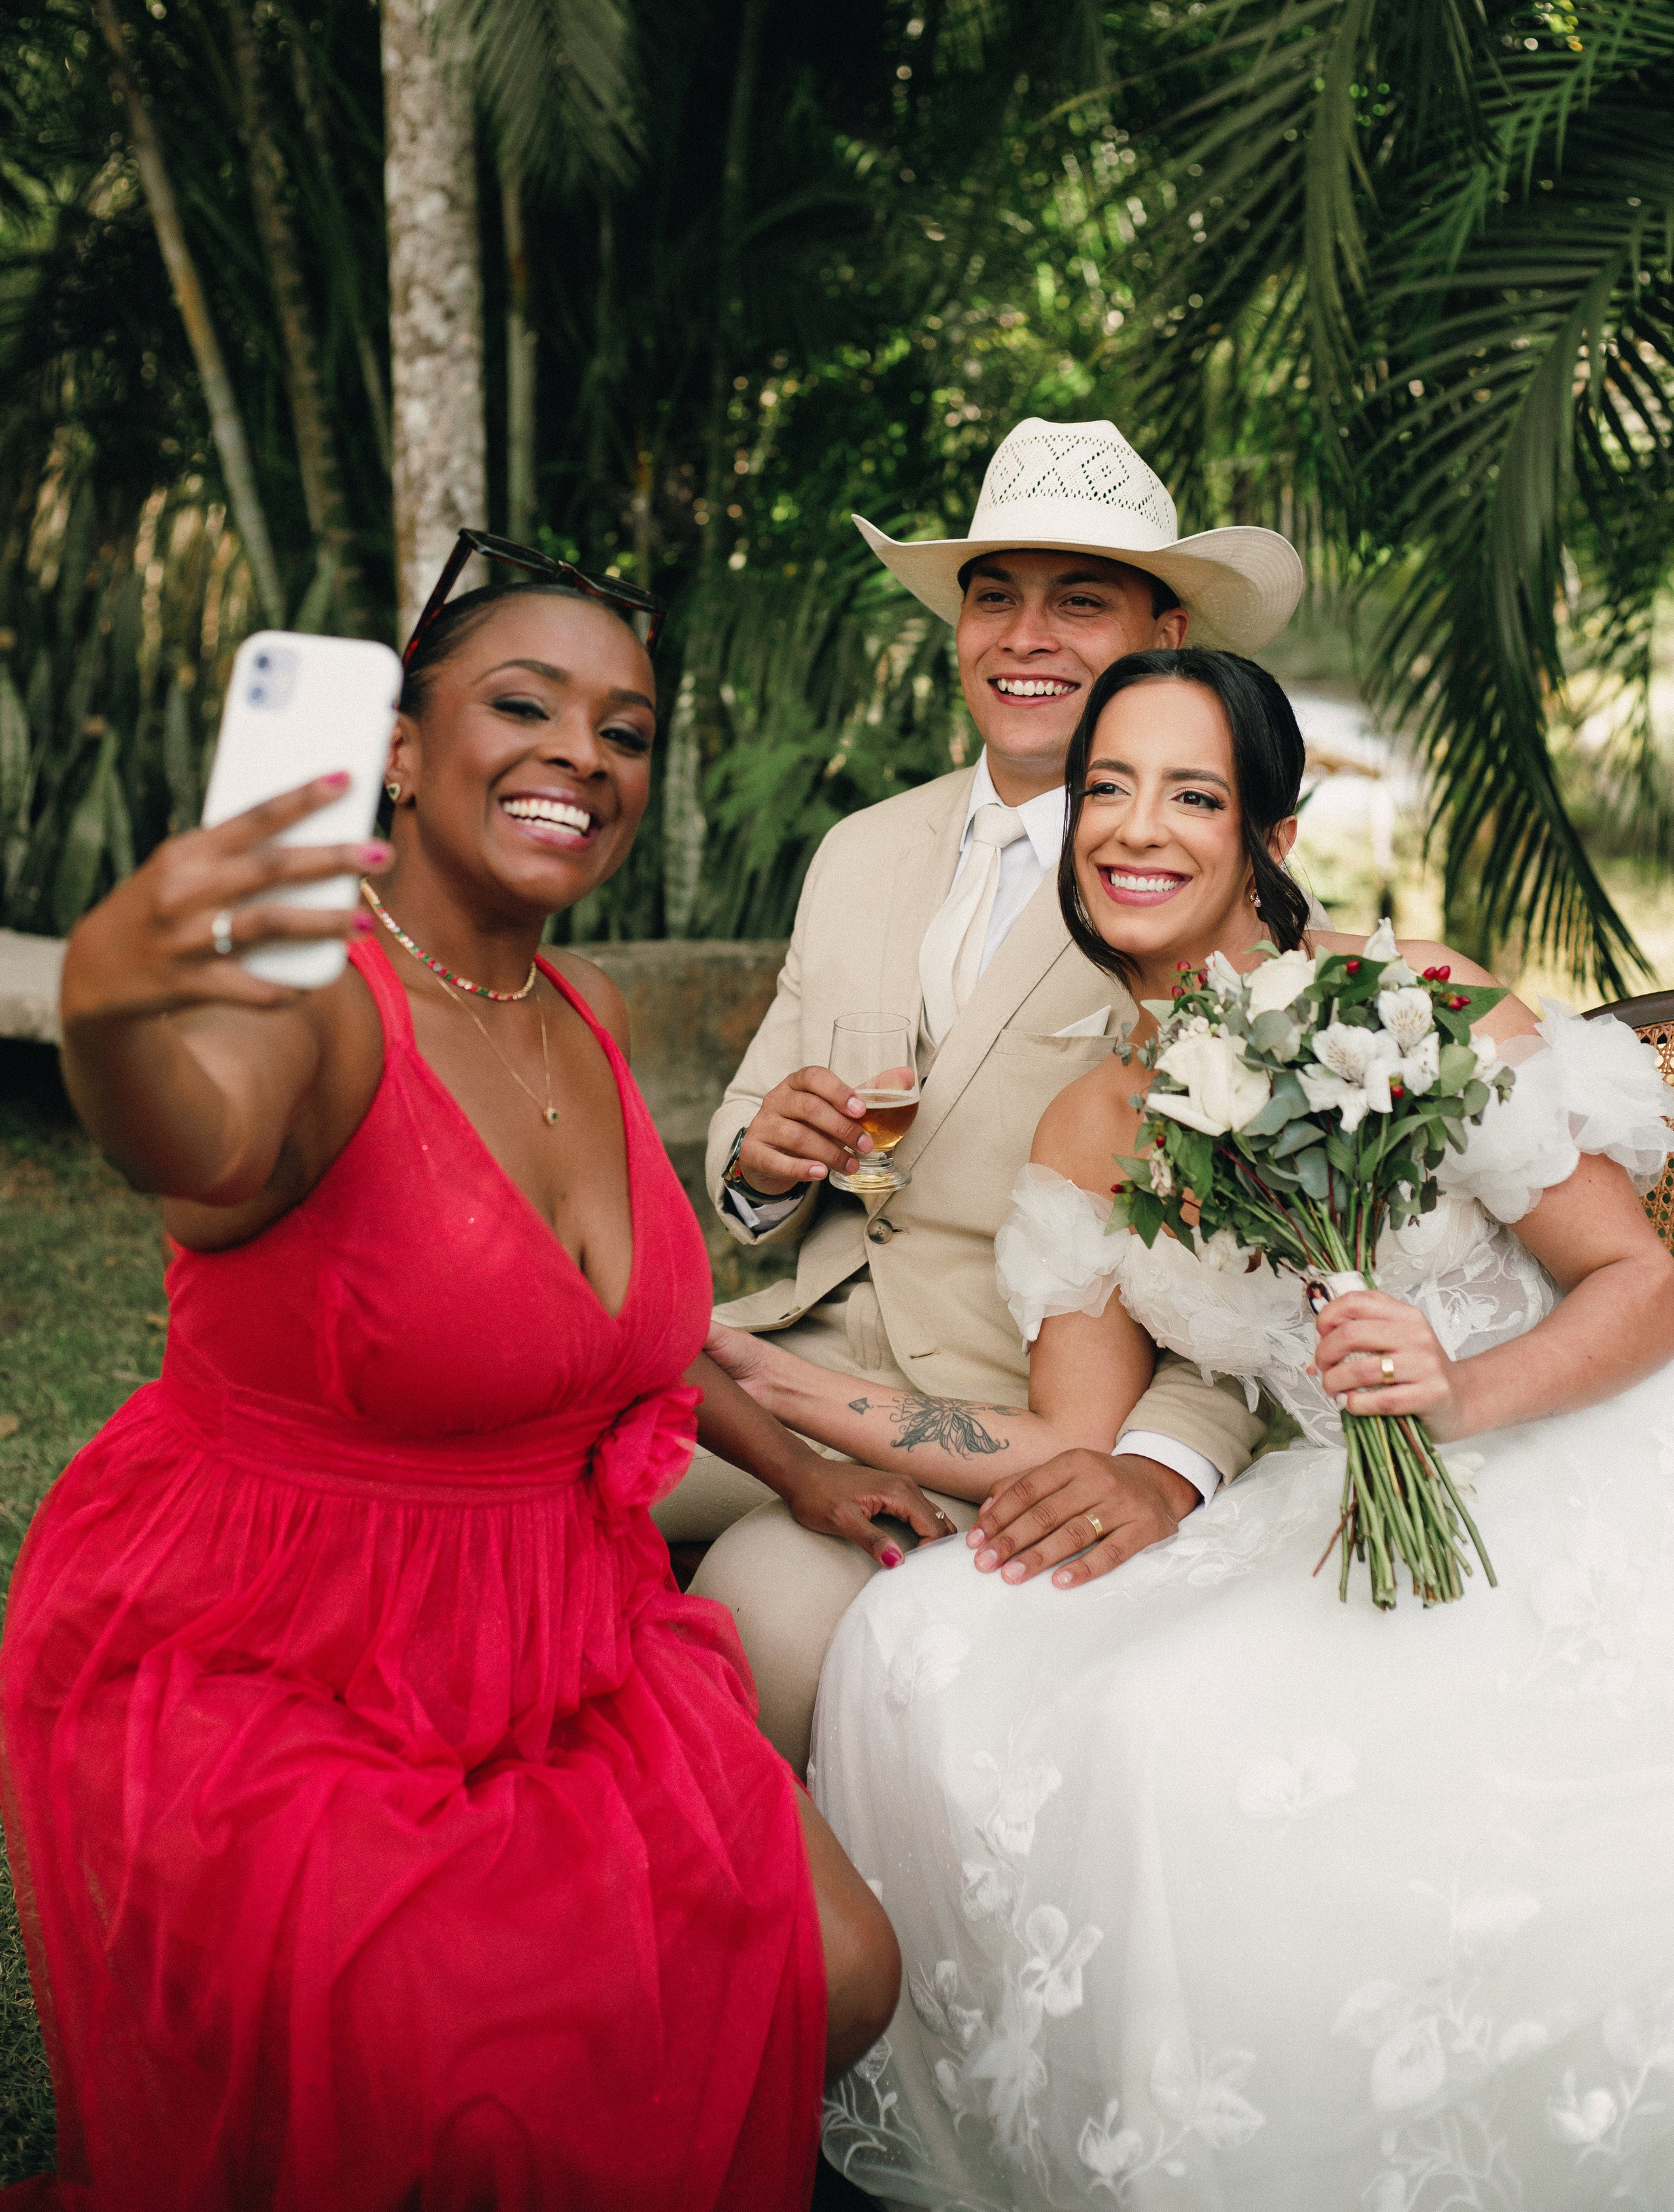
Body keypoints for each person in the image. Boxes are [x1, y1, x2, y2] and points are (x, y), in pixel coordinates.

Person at [0, 554, 902, 2212]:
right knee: (442, 2092)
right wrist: (111, 1011)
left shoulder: (584, 1006)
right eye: (522, 705)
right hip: (275, 1647)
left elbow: (598, 1346)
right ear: (398, 751)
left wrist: (797, 1474)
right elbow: (198, 1143)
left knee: (841, 1967)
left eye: (622, 729)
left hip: (555, 1634)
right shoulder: (319, 1004)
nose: (582, 752)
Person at [811, 648, 1674, 2211]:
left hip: (1549, 1457)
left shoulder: (1415, 1003)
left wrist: (1459, 1390)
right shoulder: (1090, 1119)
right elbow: (1066, 1440)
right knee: (913, 1636)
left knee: (1173, 1737)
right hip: (1331, 1497)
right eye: (1105, 788)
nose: (1132, 829)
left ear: (1269, 840)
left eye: (1190, 794)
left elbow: (1638, 1283)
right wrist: (780, 1402)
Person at [657, 416, 1305, 1771]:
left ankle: (742, 1955)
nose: (1025, 636)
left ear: (1163, 636)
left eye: (1079, 602)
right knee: (485, 1479)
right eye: (992, 596)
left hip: (1000, 1426)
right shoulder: (859, 850)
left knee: (755, 1628)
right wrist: (764, 1164)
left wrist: (1158, 1463)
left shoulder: (1197, 886)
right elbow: (746, 1119)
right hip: (770, 1359)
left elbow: (1256, 1287)